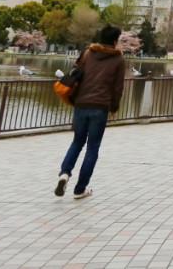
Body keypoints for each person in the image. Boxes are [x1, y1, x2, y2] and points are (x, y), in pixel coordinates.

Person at [54, 25, 126, 200]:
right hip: (100, 107)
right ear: (115, 41)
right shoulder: (118, 60)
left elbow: (75, 72)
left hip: (81, 104)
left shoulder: (88, 53)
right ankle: (80, 189)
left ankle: (65, 173)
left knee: (77, 142)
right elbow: (117, 88)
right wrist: (114, 107)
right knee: (92, 148)